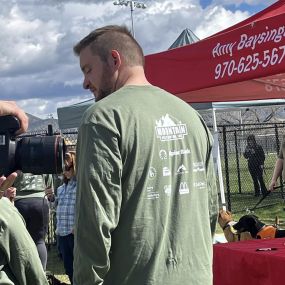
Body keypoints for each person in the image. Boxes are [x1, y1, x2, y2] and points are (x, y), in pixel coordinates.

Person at [73, 25, 218, 285]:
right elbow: (210, 208)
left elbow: (94, 222)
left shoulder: (103, 118)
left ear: (115, 60)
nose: (85, 83)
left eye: (88, 70)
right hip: (197, 276)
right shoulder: (192, 117)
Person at [0, 101, 48, 285]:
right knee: (38, 241)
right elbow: (33, 275)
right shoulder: (4, 216)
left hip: (22, 201)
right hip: (37, 202)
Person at [46, 151, 77, 284]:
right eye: (63, 168)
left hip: (75, 233)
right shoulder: (61, 188)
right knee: (69, 267)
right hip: (62, 233)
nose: (65, 171)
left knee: (79, 266)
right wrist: (51, 198)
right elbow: (55, 206)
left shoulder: (81, 186)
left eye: (68, 168)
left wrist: (79, 225)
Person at [13, 172, 53, 270]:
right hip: (40, 201)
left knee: (19, 242)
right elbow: (49, 188)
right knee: (39, 241)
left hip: (20, 202)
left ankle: (23, 274)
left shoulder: (16, 157)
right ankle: (40, 275)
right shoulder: (43, 159)